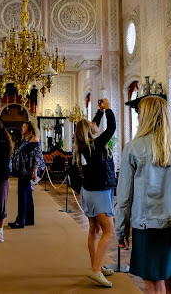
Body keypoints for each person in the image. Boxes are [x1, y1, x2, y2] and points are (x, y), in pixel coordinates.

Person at [116, 96, 171, 294]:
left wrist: (121, 230)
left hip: (147, 226)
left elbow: (125, 195)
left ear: (145, 116)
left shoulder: (134, 148)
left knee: (154, 289)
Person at [72, 97, 116, 288]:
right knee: (109, 231)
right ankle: (96, 271)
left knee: (94, 230)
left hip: (88, 192)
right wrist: (108, 109)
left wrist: (98, 112)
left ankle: (96, 265)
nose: (94, 123)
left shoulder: (83, 147)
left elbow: (96, 123)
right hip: (99, 192)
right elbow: (112, 128)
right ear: (89, 130)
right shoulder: (95, 146)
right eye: (91, 123)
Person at [9, 121, 45, 229]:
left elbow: (36, 157)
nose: (21, 129)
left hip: (28, 172)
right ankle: (29, 219)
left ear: (29, 129)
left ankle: (20, 221)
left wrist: (34, 172)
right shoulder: (25, 140)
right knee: (28, 194)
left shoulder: (34, 139)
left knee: (22, 194)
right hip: (23, 171)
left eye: (24, 127)